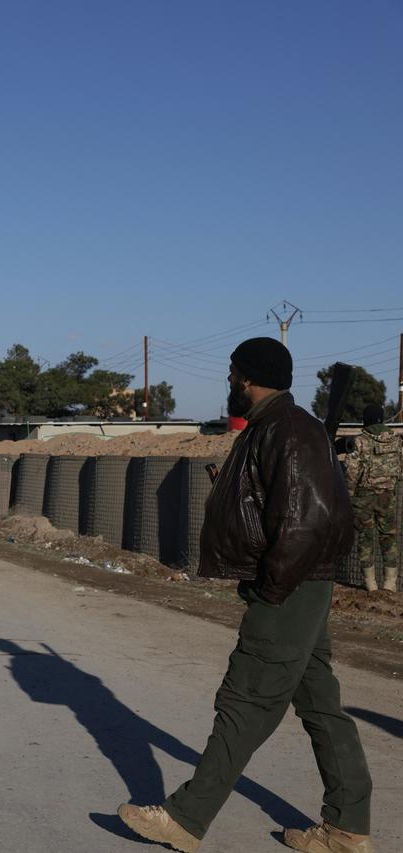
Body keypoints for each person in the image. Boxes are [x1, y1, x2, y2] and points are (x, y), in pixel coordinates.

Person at [118, 337, 373, 853]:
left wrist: (270, 588)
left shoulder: (289, 429)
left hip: (288, 587)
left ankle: (185, 818)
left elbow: (309, 521)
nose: (229, 383)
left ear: (247, 378)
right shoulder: (277, 428)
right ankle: (346, 828)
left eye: (233, 374)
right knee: (320, 703)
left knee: (245, 699)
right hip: (297, 584)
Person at [347, 403, 400, 592]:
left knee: (365, 537)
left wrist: (350, 492)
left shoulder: (360, 440)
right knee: (389, 537)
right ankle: (390, 584)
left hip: (364, 496)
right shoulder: (395, 440)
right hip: (388, 495)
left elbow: (352, 469)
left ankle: (370, 584)